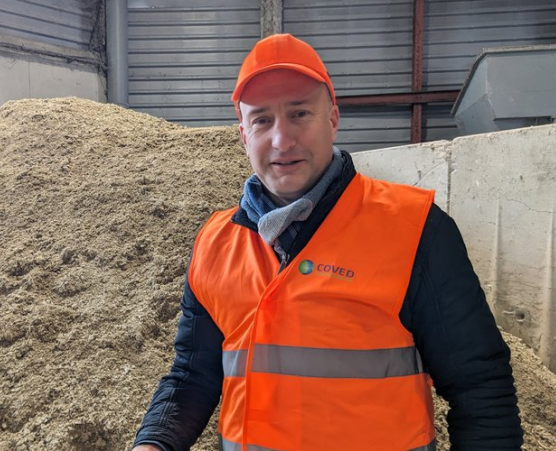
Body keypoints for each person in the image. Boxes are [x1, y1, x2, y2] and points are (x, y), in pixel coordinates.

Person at [131, 33, 522, 451]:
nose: (282, 140)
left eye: (300, 113)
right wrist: (153, 443)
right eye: (262, 120)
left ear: (333, 119)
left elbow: (479, 387)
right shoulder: (214, 243)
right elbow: (192, 376)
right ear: (243, 134)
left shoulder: (414, 229)